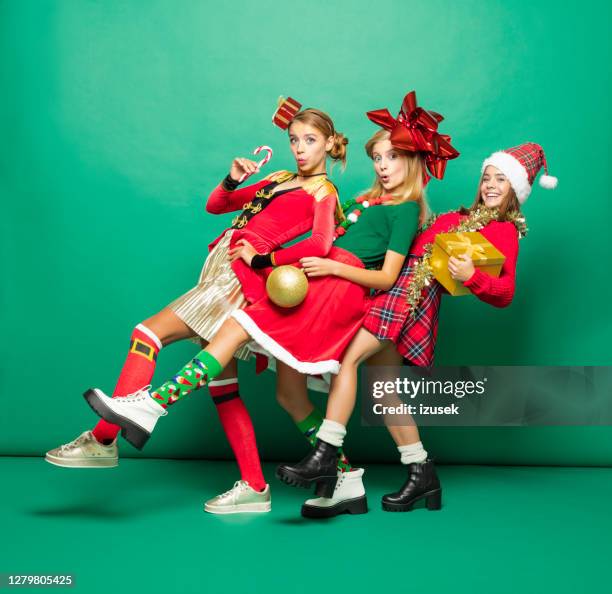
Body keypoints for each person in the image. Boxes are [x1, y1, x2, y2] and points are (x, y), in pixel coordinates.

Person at [82, 91, 459, 516]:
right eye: (378, 158)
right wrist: (233, 181)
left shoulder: (384, 204)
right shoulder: (366, 202)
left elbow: (370, 267)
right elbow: (226, 207)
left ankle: (153, 405)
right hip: (311, 287)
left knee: (238, 328)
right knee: (289, 392)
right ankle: (348, 479)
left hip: (330, 292)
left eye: (392, 157)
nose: (383, 166)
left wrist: (278, 260)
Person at [46, 100, 348, 513]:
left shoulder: (323, 191)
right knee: (224, 389)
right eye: (294, 140)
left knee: (147, 333)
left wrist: (261, 260)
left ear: (329, 143)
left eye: (310, 140)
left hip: (239, 281)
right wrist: (232, 179)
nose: (299, 148)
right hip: (222, 272)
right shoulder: (280, 178)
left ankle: (102, 440)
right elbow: (218, 206)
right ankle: (258, 487)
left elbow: (320, 245)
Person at [276, 141, 557, 513]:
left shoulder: (503, 230)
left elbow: (505, 293)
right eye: (487, 177)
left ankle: (325, 453)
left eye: (501, 180)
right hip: (392, 289)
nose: (490, 185)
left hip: (409, 299)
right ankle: (422, 473)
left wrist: (473, 277)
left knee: (349, 360)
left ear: (515, 190)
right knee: (384, 393)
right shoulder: (453, 218)